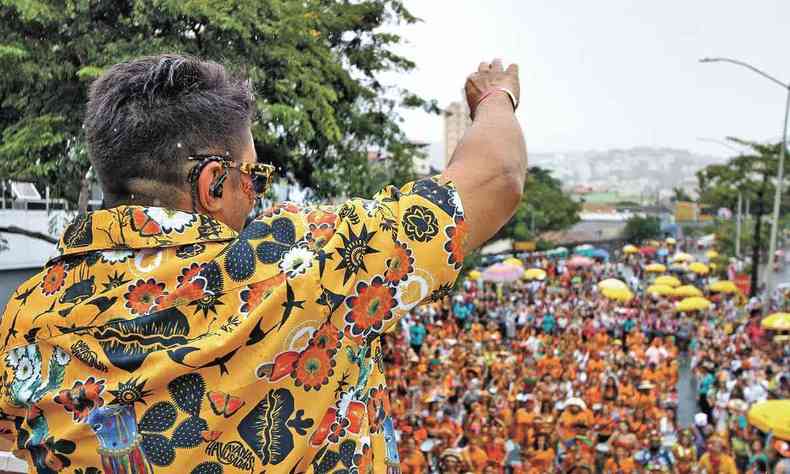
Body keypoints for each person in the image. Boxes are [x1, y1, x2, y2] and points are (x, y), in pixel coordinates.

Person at [0, 54, 527, 471]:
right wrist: (496, 97)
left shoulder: (27, 314)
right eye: (254, 176)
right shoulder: (300, 265)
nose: (257, 195)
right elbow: (495, 177)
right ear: (212, 183)